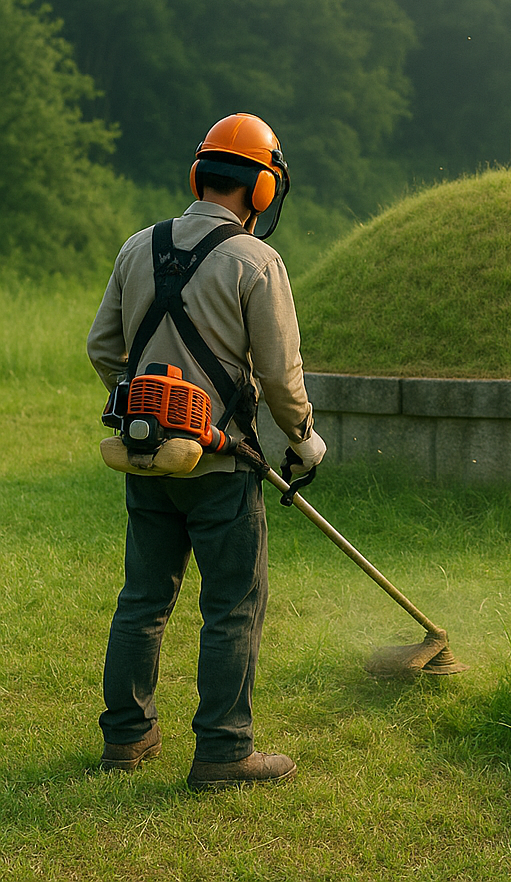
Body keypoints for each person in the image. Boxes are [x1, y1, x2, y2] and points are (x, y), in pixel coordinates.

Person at [87, 113, 326, 789]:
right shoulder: (257, 262)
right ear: (261, 190)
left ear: (199, 173)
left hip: (146, 460)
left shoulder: (139, 247)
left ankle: (127, 739)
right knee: (232, 606)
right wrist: (304, 440)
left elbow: (103, 349)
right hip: (221, 466)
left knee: (143, 599)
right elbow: (280, 377)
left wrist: (143, 403)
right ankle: (225, 750)